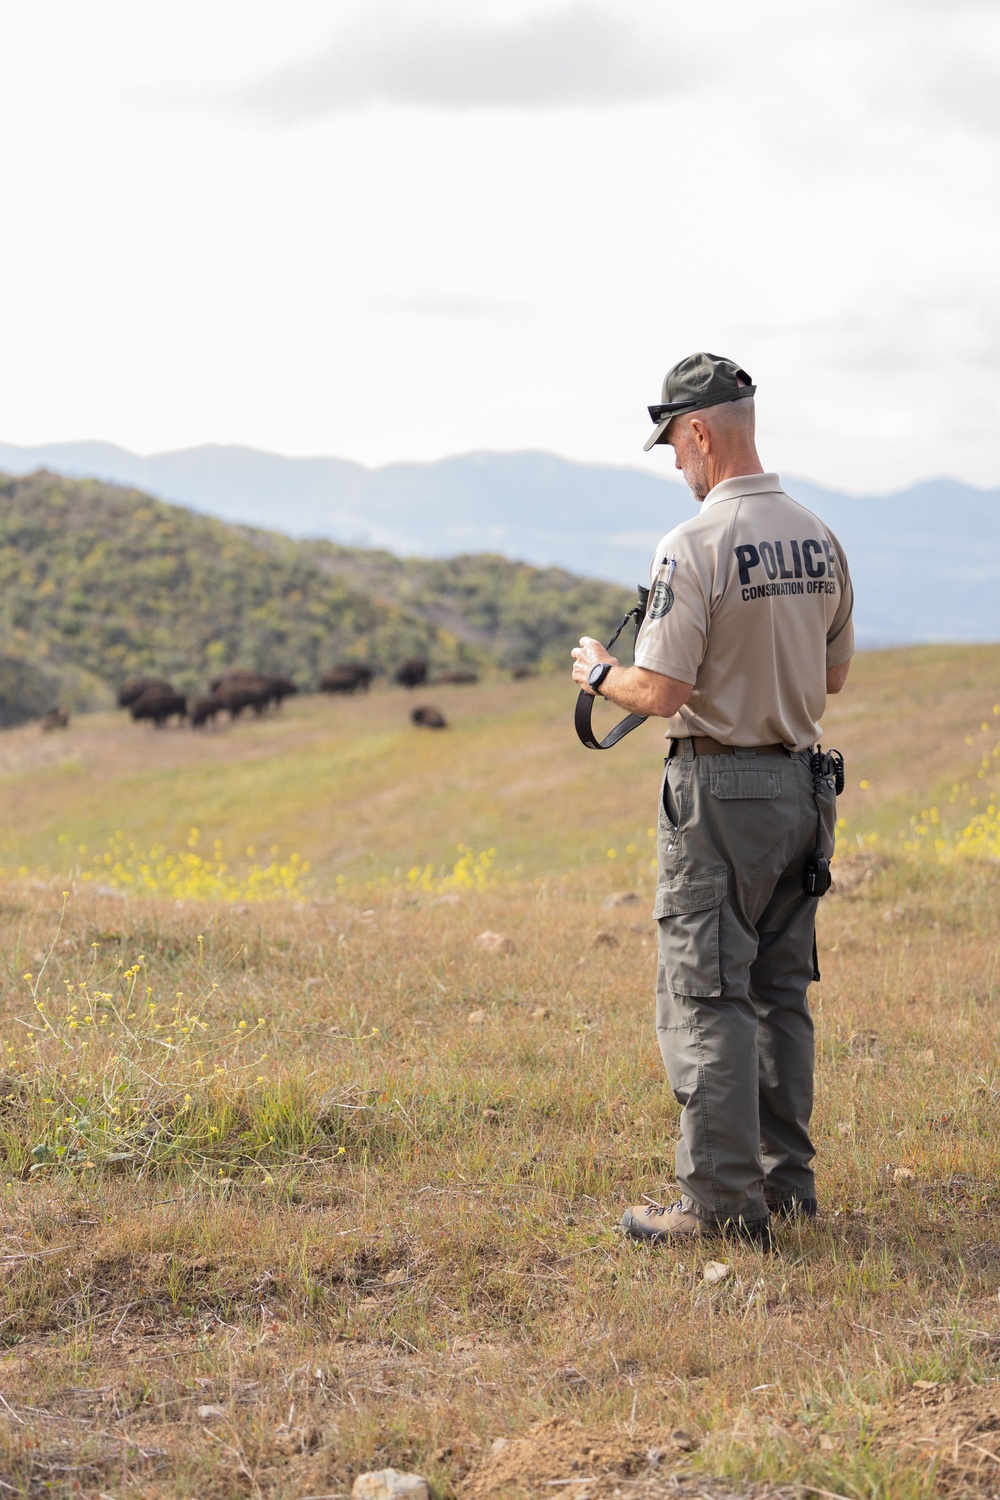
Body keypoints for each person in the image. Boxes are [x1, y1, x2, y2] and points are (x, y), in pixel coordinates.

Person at [571, 352, 854, 1246]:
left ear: (699, 432)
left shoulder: (689, 544)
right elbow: (833, 674)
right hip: (803, 787)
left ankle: (723, 1208)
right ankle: (786, 1188)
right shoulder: (819, 534)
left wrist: (601, 672)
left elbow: (658, 693)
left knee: (705, 996)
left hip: (718, 793)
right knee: (780, 993)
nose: (679, 467)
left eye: (676, 448)